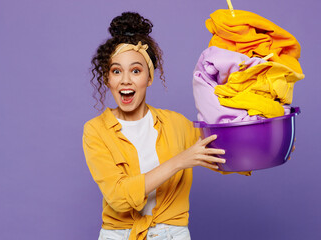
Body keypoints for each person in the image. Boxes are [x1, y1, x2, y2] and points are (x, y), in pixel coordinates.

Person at [82, 12, 231, 240]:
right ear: (107, 79)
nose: (125, 80)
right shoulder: (95, 131)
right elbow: (118, 196)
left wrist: (271, 144)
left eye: (135, 71)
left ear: (149, 77)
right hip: (118, 235)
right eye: (116, 71)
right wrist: (180, 161)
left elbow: (224, 152)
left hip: (171, 234)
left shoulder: (178, 124)